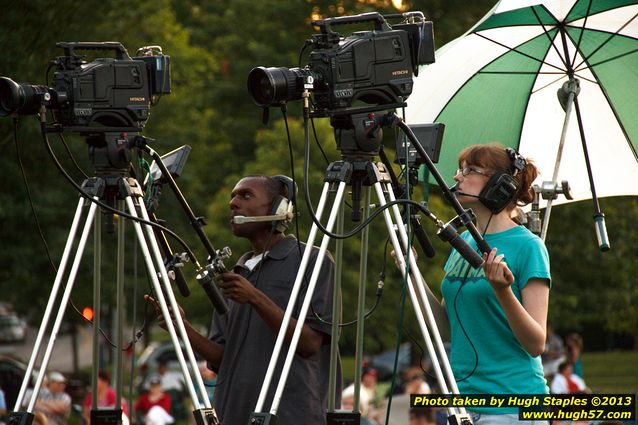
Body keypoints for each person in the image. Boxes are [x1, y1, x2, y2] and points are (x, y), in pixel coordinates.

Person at [147, 175, 340, 425]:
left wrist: (254, 298)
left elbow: (310, 343)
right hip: (234, 414)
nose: (233, 203)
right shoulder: (237, 274)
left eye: (245, 195)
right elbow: (222, 358)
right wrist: (182, 328)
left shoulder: (313, 260)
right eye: (233, 196)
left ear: (278, 209)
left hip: (292, 415)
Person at [403, 144, 551, 424]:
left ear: (500, 186)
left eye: (470, 170)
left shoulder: (529, 247)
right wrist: (411, 272)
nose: (458, 177)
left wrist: (503, 291)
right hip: (462, 405)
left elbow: (536, 343)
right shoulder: (465, 243)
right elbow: (445, 329)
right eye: (460, 170)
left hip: (513, 409)